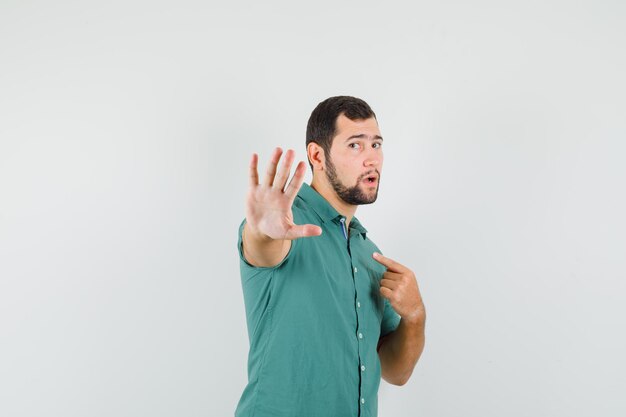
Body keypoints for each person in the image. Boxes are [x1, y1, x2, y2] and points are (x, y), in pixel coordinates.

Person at [235, 96, 426, 417]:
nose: (372, 159)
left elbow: (396, 371)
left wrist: (415, 315)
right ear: (317, 156)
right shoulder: (285, 223)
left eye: (376, 145)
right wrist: (262, 232)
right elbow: (262, 249)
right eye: (355, 145)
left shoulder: (370, 254)